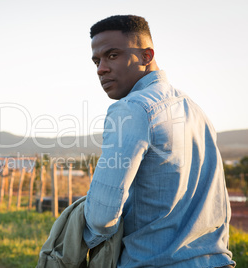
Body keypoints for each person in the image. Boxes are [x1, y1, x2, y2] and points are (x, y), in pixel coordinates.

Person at [83, 15, 235, 268]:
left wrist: (77, 234)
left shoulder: (132, 108)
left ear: (146, 55)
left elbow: (101, 217)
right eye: (96, 61)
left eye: (112, 55)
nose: (101, 69)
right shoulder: (196, 111)